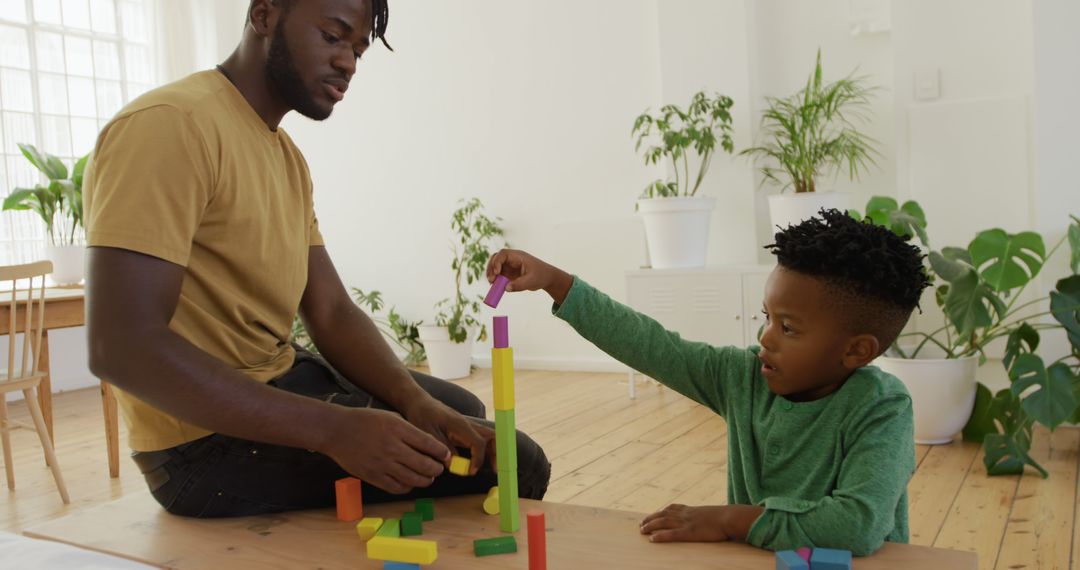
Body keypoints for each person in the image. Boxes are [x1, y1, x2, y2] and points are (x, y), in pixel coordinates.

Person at [83, 0, 549, 518]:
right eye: (333, 36)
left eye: (358, 50)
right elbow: (120, 347)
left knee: (456, 415)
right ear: (263, 16)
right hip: (197, 446)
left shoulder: (286, 158)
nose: (348, 62)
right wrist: (332, 429)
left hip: (276, 373)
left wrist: (413, 400)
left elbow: (329, 309)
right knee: (519, 464)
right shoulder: (170, 126)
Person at [485, 209, 932, 555]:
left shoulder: (882, 407)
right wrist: (555, 282)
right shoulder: (743, 376)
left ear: (856, 351)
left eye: (788, 328)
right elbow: (651, 345)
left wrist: (728, 521)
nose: (765, 337)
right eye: (767, 317)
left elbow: (856, 527)